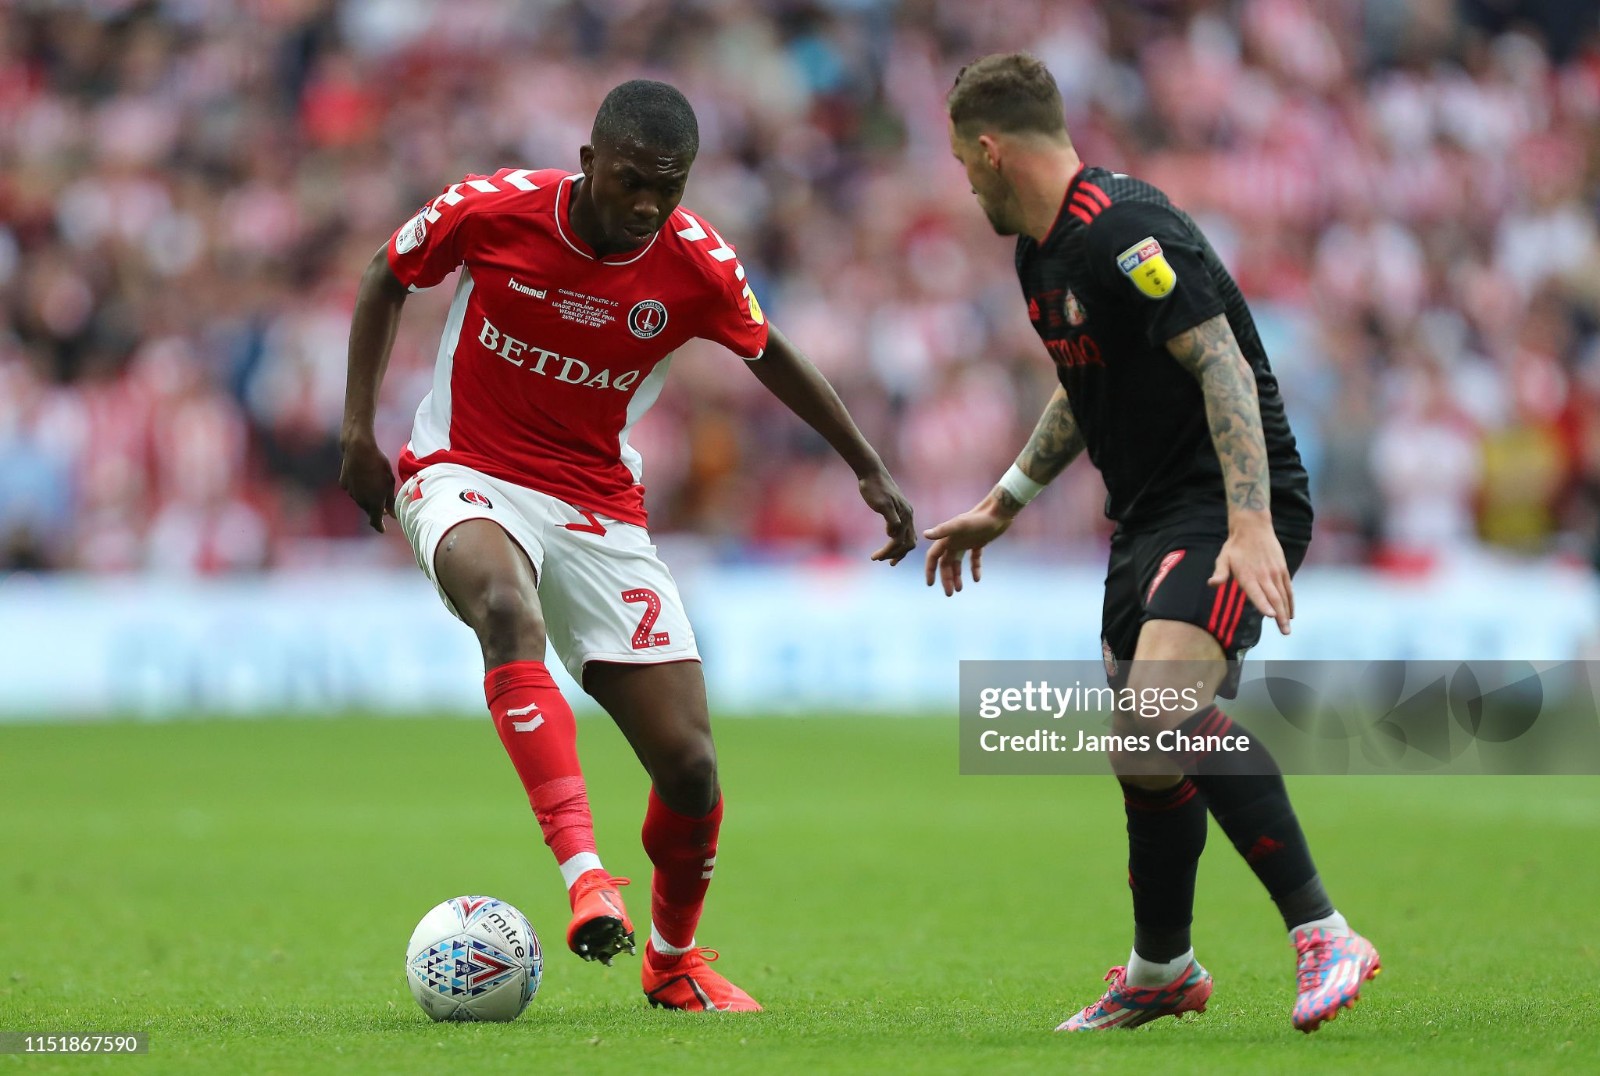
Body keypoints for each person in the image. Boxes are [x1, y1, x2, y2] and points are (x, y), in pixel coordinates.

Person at [340, 79, 916, 1012]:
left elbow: (769, 352)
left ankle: (674, 960)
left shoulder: (694, 264)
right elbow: (384, 274)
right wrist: (356, 433)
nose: (648, 203)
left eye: (670, 185)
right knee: (502, 607)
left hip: (599, 505)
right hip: (464, 468)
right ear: (587, 163)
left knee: (689, 765)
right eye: (631, 181)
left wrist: (868, 465)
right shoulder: (494, 211)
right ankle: (584, 877)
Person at [924, 53, 1379, 1033]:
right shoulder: (1040, 254)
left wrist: (1251, 522)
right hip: (1143, 517)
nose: (964, 180)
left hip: (1222, 502)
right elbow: (1082, 383)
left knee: (1162, 712)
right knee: (1141, 748)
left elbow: (1217, 360)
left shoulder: (1122, 230)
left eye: (964, 160)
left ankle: (1323, 929)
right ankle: (1161, 967)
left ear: (992, 148)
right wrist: (1005, 499)